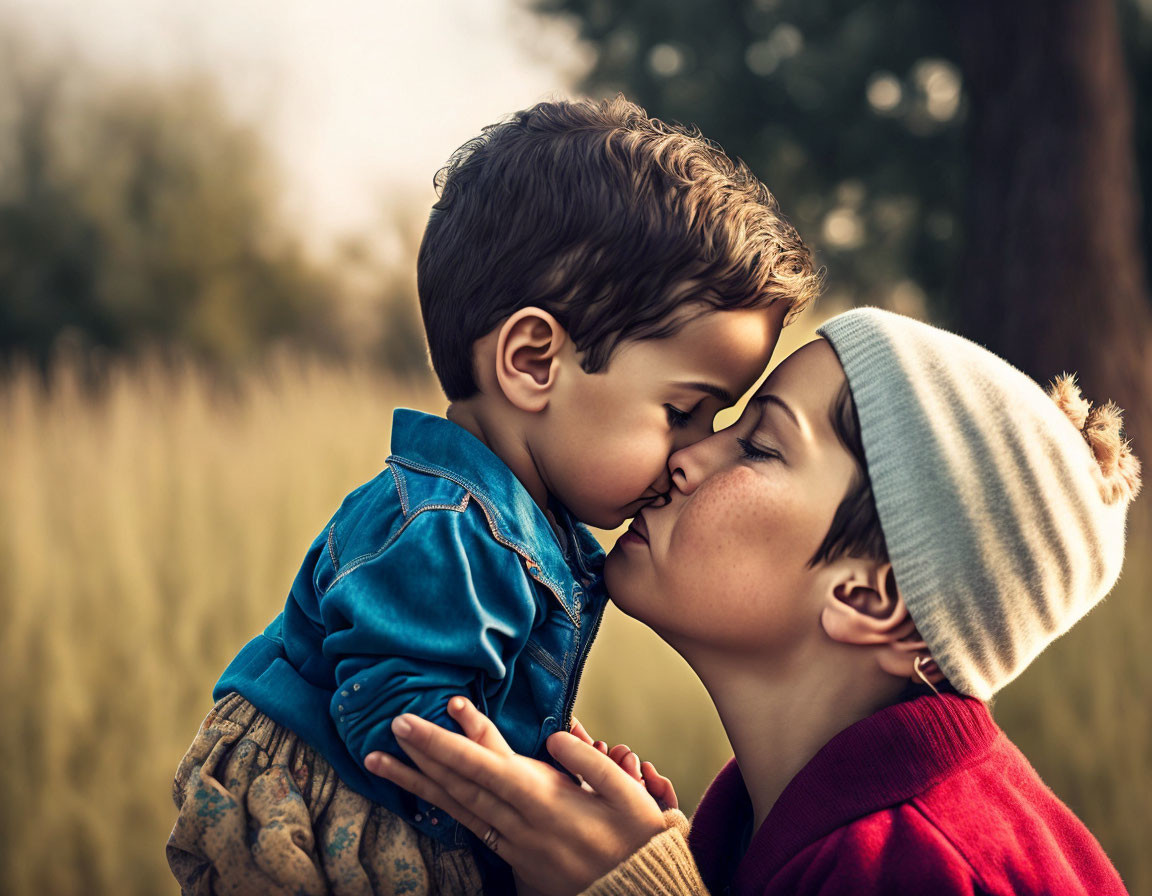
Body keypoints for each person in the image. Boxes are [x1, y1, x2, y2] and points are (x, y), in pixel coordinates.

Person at [165, 95, 821, 895]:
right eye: (682, 411)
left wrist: (563, 773)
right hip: (325, 821)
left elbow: (471, 686)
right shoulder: (449, 525)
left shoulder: (524, 526)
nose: (695, 452)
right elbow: (397, 715)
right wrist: (535, 796)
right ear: (535, 361)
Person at [367, 307, 1138, 896]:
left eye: (761, 445)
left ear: (871, 596)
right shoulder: (757, 818)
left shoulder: (926, 863)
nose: (685, 456)